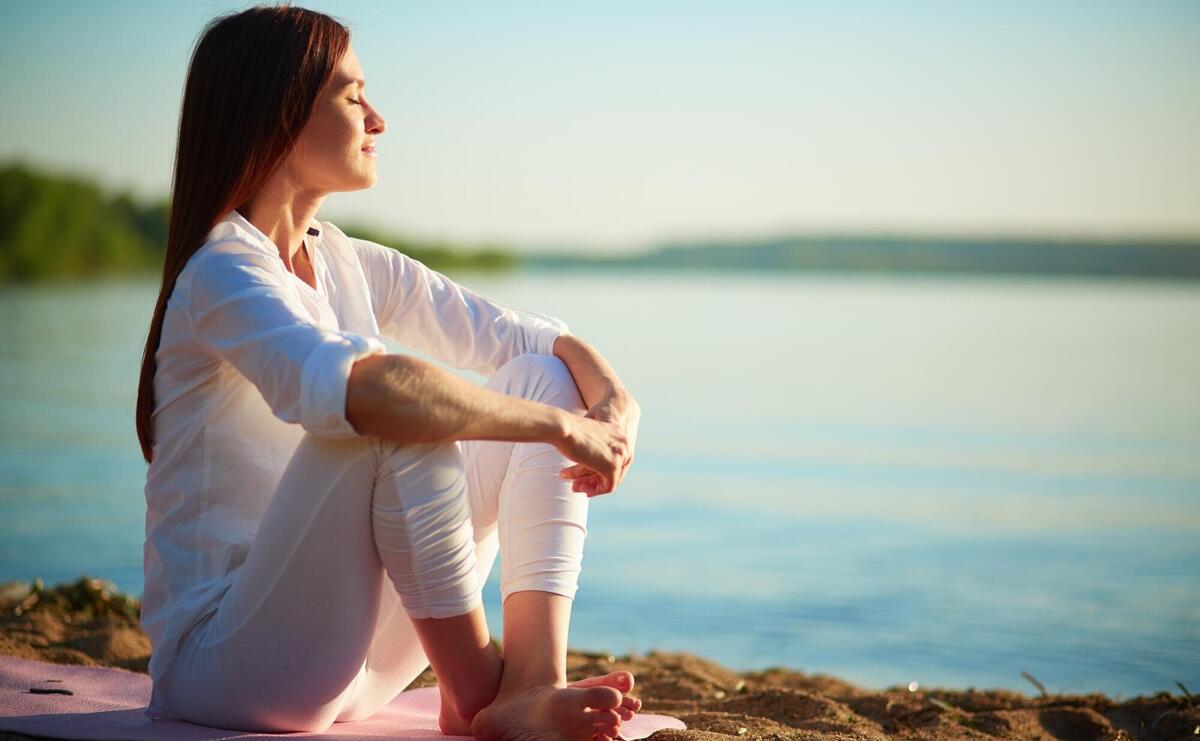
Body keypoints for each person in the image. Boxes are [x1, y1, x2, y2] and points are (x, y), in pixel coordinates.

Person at [134, 6, 642, 740]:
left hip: (357, 661)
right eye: (351, 95)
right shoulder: (223, 270)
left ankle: (529, 684)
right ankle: (475, 690)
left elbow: (531, 339)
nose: (378, 118)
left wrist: (615, 405)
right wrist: (562, 428)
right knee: (390, 409)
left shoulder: (344, 258)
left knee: (534, 375)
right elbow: (371, 392)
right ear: (277, 117)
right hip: (229, 667)